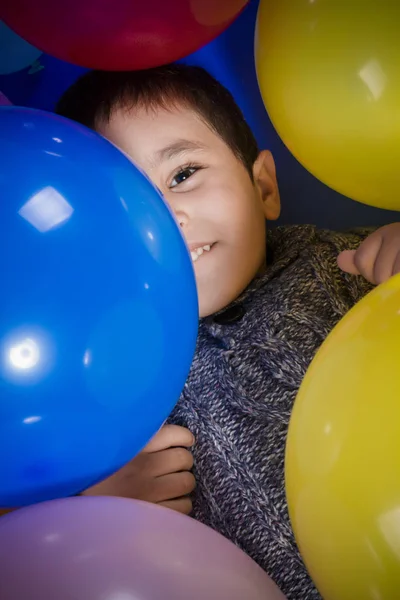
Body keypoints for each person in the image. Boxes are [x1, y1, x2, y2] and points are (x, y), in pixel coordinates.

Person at [54, 64, 400, 599]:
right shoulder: (105, 378)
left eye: (184, 174)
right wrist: (97, 516)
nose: (162, 220)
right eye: (121, 206)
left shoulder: (350, 265)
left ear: (264, 187)